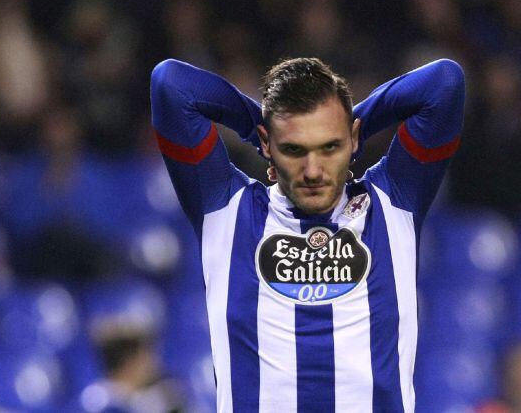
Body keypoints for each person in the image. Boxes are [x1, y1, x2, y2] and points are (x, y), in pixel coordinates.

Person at [150, 56, 464, 411]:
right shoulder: (224, 209)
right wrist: (258, 126)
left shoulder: (394, 201)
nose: (313, 170)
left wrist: (351, 119)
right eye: (294, 149)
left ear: (354, 138)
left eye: (330, 146)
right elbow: (170, 84)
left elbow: (445, 83)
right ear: (269, 146)